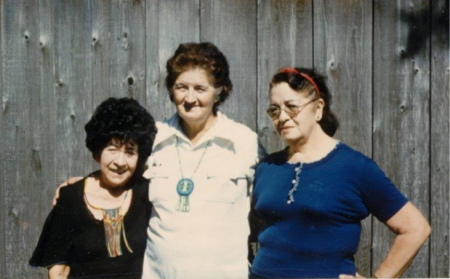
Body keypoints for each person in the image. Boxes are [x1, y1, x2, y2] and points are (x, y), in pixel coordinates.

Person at [55, 42, 266, 279]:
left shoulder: (244, 142)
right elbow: (122, 172)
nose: (190, 98)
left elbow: (272, 201)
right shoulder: (154, 138)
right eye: (181, 87)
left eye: (200, 88)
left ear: (219, 91)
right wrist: (86, 185)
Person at [250, 67, 431, 278]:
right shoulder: (267, 167)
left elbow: (415, 228)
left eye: (291, 107)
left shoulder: (354, 167)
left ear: (318, 108)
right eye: (274, 110)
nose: (282, 117)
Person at [30, 97, 157, 279]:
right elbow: (58, 272)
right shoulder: (70, 198)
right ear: (98, 152)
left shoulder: (148, 194)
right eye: (112, 149)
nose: (120, 162)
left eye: (130, 152)